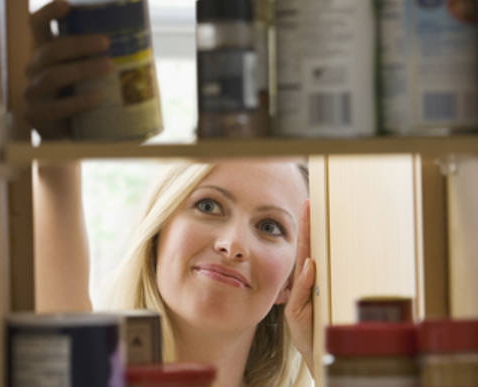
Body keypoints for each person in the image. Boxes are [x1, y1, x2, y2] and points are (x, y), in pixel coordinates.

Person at [27, 2, 316, 386]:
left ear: (289, 284)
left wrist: (324, 364)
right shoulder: (90, 374)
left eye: (270, 226)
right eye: (209, 205)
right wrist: (56, 150)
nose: (232, 245)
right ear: (158, 234)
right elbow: (59, 317)